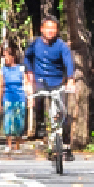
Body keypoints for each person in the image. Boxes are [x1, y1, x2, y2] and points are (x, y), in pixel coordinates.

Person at [24, 17, 75, 156]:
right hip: (40, 83)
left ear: (57, 30)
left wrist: (70, 79)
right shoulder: (34, 44)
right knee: (36, 104)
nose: (50, 31)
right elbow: (27, 58)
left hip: (57, 83)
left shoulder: (61, 46)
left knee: (60, 113)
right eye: (47, 28)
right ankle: (41, 131)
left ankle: (65, 144)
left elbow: (69, 63)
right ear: (42, 29)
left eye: (53, 28)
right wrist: (29, 75)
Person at [0, 41, 28, 155]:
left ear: (13, 56)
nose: (5, 58)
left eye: (7, 55)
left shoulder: (21, 69)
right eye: (4, 56)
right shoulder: (3, 70)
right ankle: (8, 144)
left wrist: (29, 97)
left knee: (19, 122)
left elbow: (26, 82)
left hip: (20, 98)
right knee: (7, 121)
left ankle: (17, 145)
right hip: (7, 97)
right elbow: (0, 85)